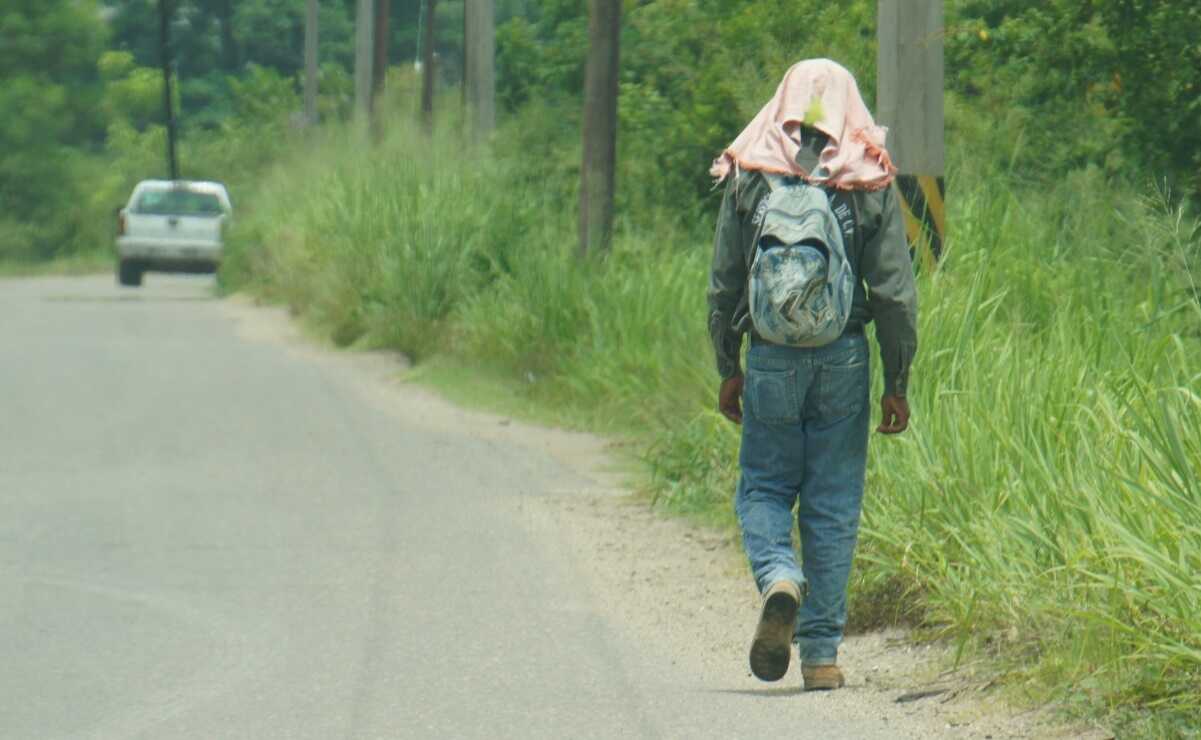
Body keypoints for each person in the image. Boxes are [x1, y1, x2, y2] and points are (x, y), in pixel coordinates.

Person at [707, 59, 918, 691]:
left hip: (770, 356)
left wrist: (728, 364)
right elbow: (895, 295)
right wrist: (898, 380)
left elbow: (723, 285)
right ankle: (821, 656)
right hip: (844, 357)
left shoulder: (751, 172)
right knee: (832, 502)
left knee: (764, 489)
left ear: (785, 104)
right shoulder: (867, 174)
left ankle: (779, 575)